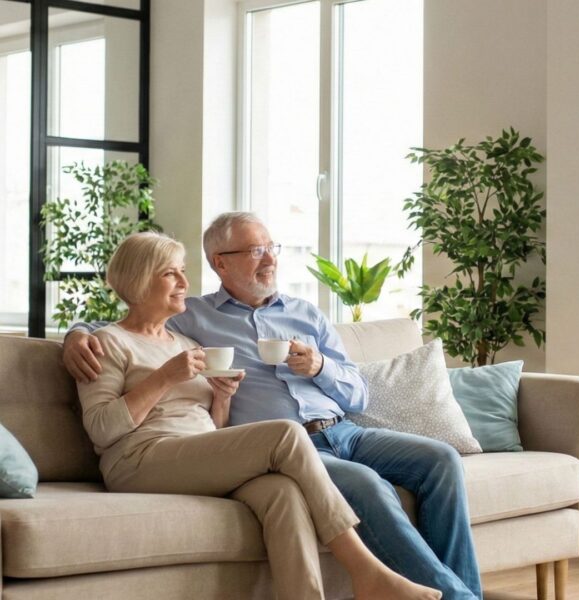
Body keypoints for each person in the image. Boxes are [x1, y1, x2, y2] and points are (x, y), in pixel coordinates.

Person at [65, 212, 483, 600]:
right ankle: (402, 583)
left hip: (341, 430)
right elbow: (120, 328)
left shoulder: (267, 323)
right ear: (221, 263)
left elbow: (357, 395)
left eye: (271, 247)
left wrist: (317, 367)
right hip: (270, 445)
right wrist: (75, 334)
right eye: (254, 250)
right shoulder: (191, 317)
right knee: (343, 470)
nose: (269, 259)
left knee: (439, 459)